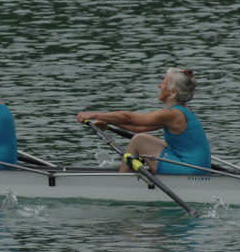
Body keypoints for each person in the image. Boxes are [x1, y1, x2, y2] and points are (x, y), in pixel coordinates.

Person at [76, 67, 210, 174]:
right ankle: (131, 175)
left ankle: (122, 183)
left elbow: (127, 118)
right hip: (195, 166)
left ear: (173, 92)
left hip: (192, 171)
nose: (159, 85)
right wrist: (111, 123)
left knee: (139, 140)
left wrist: (93, 114)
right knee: (144, 138)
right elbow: (137, 128)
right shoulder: (183, 111)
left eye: (163, 83)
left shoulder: (173, 114)